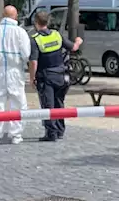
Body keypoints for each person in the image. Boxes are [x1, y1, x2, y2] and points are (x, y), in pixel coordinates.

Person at [29, 10, 82, 142]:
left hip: (46, 76)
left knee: (48, 105)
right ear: (48, 22)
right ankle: (60, 130)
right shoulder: (57, 35)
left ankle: (51, 133)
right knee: (59, 103)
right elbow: (73, 48)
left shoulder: (36, 39)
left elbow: (34, 62)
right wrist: (78, 41)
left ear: (36, 22)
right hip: (60, 75)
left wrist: (32, 77)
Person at [0, 5, 32, 144]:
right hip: (15, 70)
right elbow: (26, 54)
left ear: (3, 16)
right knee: (18, 102)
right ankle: (16, 134)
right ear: (15, 16)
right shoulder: (20, 32)